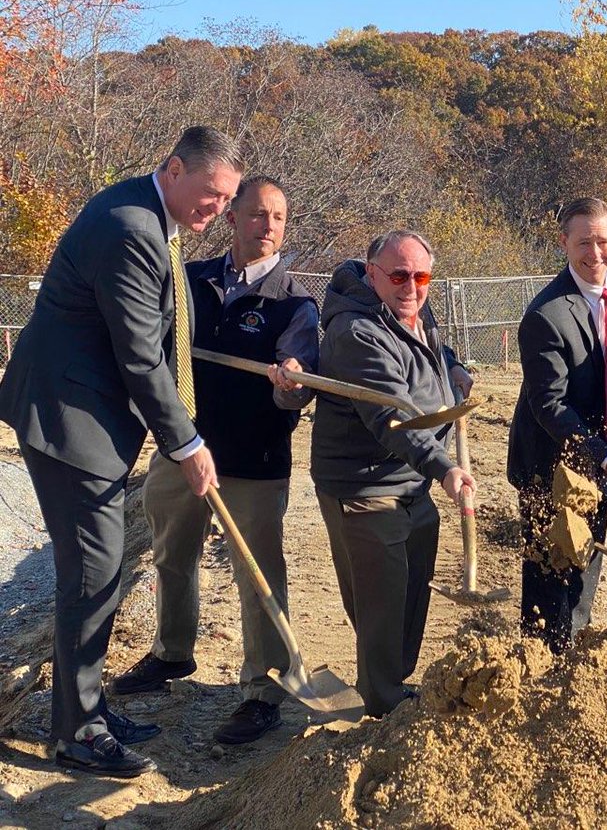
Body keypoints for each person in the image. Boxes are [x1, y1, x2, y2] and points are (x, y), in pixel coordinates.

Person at [0, 126, 243, 777]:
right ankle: (76, 730)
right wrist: (186, 441)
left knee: (99, 571)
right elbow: (138, 352)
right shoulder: (132, 225)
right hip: (68, 419)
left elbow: (156, 333)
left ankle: (87, 708)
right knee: (97, 573)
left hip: (86, 417)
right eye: (210, 194)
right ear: (174, 167)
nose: (214, 210)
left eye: (226, 201)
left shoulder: (147, 217)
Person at [110, 177, 319, 745]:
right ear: (233, 218)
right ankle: (172, 653)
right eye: (256, 214)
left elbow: (296, 388)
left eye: (277, 217)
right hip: (182, 450)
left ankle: (262, 690)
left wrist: (290, 383)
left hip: (254, 461)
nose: (267, 225)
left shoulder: (295, 302)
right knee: (171, 556)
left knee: (258, 574)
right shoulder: (190, 279)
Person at [311, 230, 474, 717]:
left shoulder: (419, 313)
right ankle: (382, 705)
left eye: (421, 276)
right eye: (399, 275)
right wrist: (445, 467)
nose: (411, 286)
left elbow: (432, 354)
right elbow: (392, 419)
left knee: (411, 590)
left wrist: (455, 369)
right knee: (381, 600)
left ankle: (393, 682)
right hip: (366, 486)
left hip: (410, 480)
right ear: (372, 273)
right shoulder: (356, 334)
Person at [507, 197, 607, 654]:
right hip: (551, 459)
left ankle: (573, 654)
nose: (595, 253)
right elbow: (549, 404)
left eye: (602, 240)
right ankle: (542, 663)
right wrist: (604, 457)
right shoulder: (546, 316)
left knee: (587, 564)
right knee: (552, 572)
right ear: (564, 243)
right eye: (583, 242)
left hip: (600, 449)